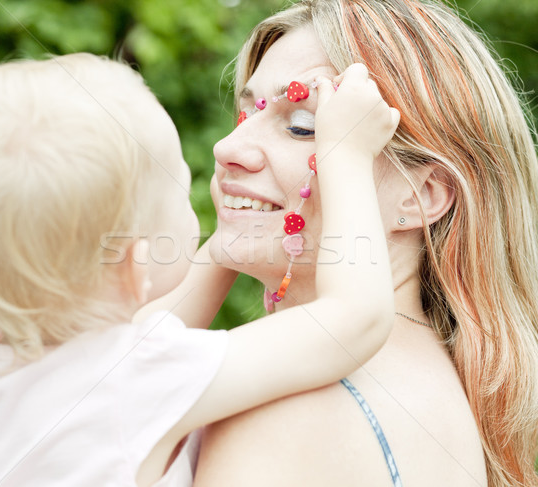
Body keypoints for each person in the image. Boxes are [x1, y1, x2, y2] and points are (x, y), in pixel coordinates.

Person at [0, 53, 399, 486]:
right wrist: (345, 152)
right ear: (136, 264)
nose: (225, 151)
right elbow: (354, 318)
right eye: (182, 193)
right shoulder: (142, 381)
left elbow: (143, 330)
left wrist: (244, 223)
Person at [195, 1, 538, 486]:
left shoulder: (286, 401)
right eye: (245, 114)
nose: (226, 149)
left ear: (419, 197)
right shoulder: (439, 387)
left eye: (303, 127)